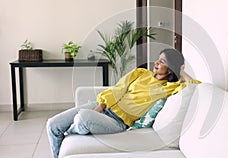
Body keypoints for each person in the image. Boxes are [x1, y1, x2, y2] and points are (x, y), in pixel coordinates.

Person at [46, 48, 201, 158]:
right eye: (158, 59)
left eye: (162, 62)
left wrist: (180, 71)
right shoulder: (140, 73)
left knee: (83, 118)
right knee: (52, 124)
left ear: (170, 69)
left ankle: (74, 129)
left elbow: (196, 85)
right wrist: (100, 107)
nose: (156, 63)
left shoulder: (170, 87)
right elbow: (118, 89)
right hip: (102, 107)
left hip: (117, 122)